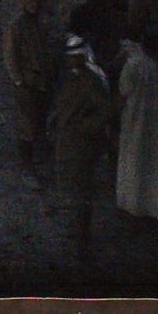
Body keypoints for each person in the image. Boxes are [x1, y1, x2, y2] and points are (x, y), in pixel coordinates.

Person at [49, 38, 117, 245]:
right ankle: (75, 226)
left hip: (82, 144)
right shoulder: (68, 78)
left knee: (81, 188)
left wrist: (85, 129)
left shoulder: (91, 81)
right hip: (66, 141)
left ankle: (81, 232)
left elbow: (104, 112)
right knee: (70, 186)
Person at [115, 30, 158, 225]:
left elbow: (122, 94)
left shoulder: (135, 66)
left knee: (137, 165)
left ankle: (134, 208)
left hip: (138, 125)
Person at [3, 0, 52, 169]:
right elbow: (10, 56)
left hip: (41, 83)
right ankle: (26, 167)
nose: (34, 4)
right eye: (30, 0)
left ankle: (38, 164)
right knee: (27, 125)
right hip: (26, 83)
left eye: (36, 1)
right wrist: (18, 81)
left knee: (40, 122)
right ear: (24, 1)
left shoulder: (40, 24)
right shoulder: (16, 27)